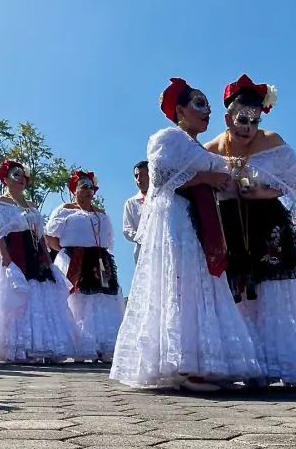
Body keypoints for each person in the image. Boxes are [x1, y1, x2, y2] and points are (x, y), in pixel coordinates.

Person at [110, 78, 260, 392]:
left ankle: (202, 364)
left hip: (203, 221)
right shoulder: (168, 137)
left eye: (207, 105)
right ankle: (186, 365)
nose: (206, 111)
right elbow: (161, 177)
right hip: (179, 220)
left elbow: (226, 171)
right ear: (180, 110)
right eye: (199, 104)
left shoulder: (197, 147)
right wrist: (205, 176)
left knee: (203, 283)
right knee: (185, 283)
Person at [203, 74, 296, 388]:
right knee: (241, 293)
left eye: (254, 121)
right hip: (230, 225)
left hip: (268, 221)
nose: (247, 128)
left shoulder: (273, 142)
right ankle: (251, 366)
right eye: (242, 120)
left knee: (276, 291)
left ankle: (290, 364)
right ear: (228, 117)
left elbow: (291, 182)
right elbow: (205, 191)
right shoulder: (211, 149)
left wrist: (261, 192)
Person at [0, 159, 86, 364]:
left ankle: (44, 345)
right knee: (20, 298)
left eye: (23, 175)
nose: (22, 179)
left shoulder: (30, 205)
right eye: (16, 175)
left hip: (35, 255)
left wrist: (48, 258)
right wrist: (6, 259)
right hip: (15, 253)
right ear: (5, 179)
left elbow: (39, 234)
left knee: (42, 296)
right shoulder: (1, 204)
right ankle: (20, 346)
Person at [46, 171, 125, 361]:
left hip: (99, 260)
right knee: (79, 300)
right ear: (74, 189)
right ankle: (80, 346)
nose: (88, 190)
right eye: (84, 186)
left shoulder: (101, 214)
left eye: (91, 187)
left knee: (103, 300)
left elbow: (107, 240)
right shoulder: (65, 210)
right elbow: (50, 237)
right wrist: (67, 252)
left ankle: (105, 346)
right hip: (75, 258)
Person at [122, 160, 148, 263]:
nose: (139, 180)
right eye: (136, 176)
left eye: (142, 175)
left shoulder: (162, 197)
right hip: (143, 253)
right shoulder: (131, 203)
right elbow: (127, 229)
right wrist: (142, 237)